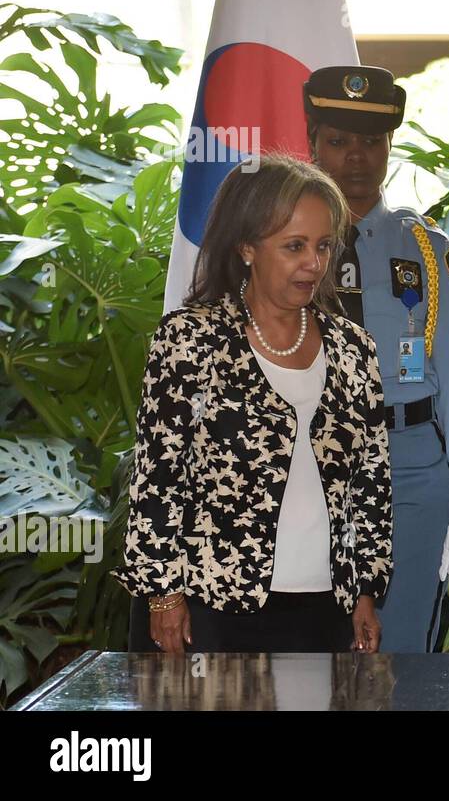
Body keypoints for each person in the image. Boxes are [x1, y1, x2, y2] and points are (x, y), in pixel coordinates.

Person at [115, 155, 391, 653]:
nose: (315, 263)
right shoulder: (190, 339)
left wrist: (365, 592)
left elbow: (370, 483)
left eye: (324, 246)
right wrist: (162, 596)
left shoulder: (355, 348)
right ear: (247, 248)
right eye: (294, 247)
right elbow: (158, 477)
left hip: (325, 610)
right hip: (209, 607)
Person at [303, 65, 449, 653]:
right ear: (311, 143)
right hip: (304, 466)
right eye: (337, 141)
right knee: (308, 657)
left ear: (389, 148)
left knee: (401, 655)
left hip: (410, 468)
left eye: (370, 141)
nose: (355, 157)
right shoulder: (278, 246)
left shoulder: (431, 255)